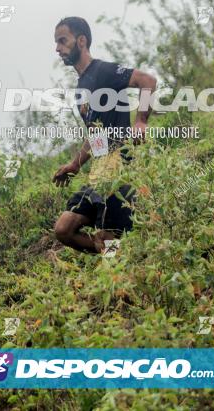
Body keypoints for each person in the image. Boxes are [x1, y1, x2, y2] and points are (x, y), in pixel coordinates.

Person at [51, 16, 157, 253]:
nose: (57, 48)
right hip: (99, 172)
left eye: (62, 40)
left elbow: (147, 81)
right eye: (56, 42)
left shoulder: (103, 71)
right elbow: (95, 136)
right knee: (63, 229)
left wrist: (140, 120)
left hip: (120, 167)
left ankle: (117, 263)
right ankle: (114, 254)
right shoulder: (80, 89)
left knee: (106, 238)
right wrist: (75, 164)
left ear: (81, 41)